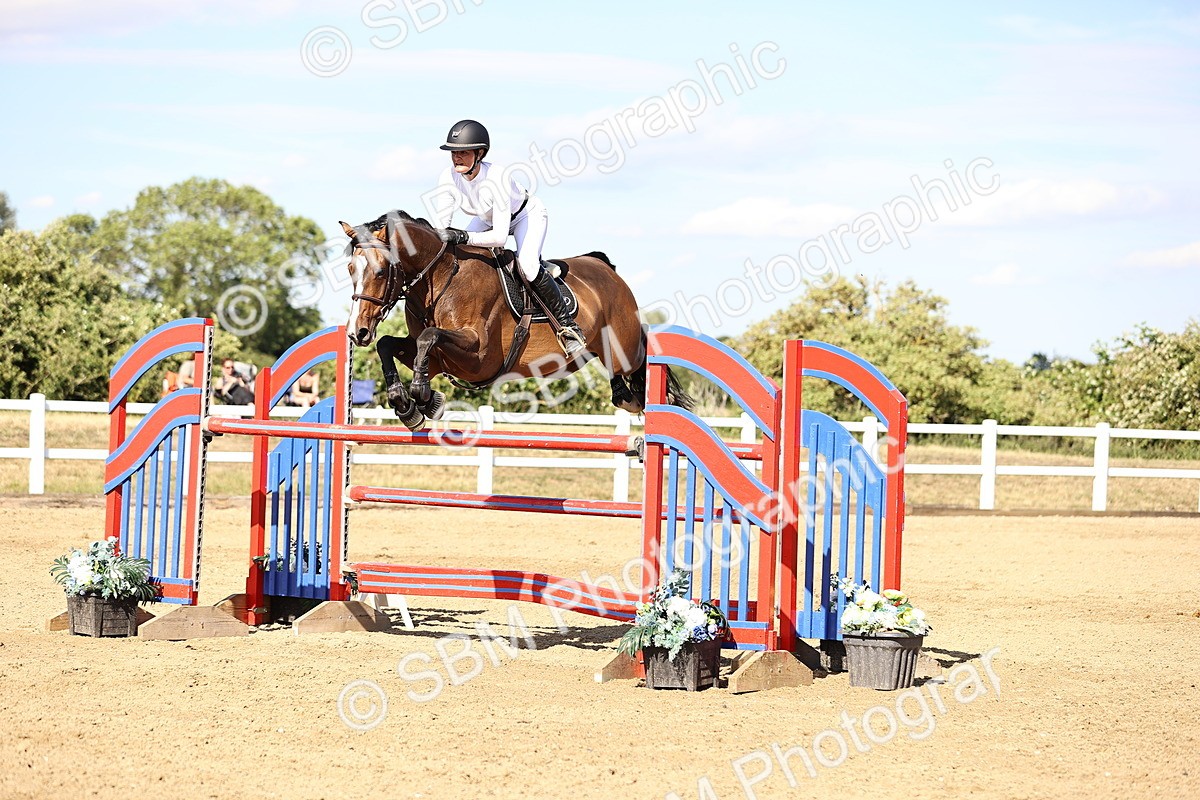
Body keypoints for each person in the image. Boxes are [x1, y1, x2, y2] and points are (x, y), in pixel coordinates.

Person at [430, 119, 587, 359]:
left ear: (480, 153)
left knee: (528, 266)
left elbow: (499, 237)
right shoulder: (447, 177)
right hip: (487, 218)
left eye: (463, 152)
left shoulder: (497, 177)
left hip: (525, 215)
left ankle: (568, 327)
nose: (457, 158)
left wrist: (462, 234)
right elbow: (442, 228)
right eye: (453, 152)